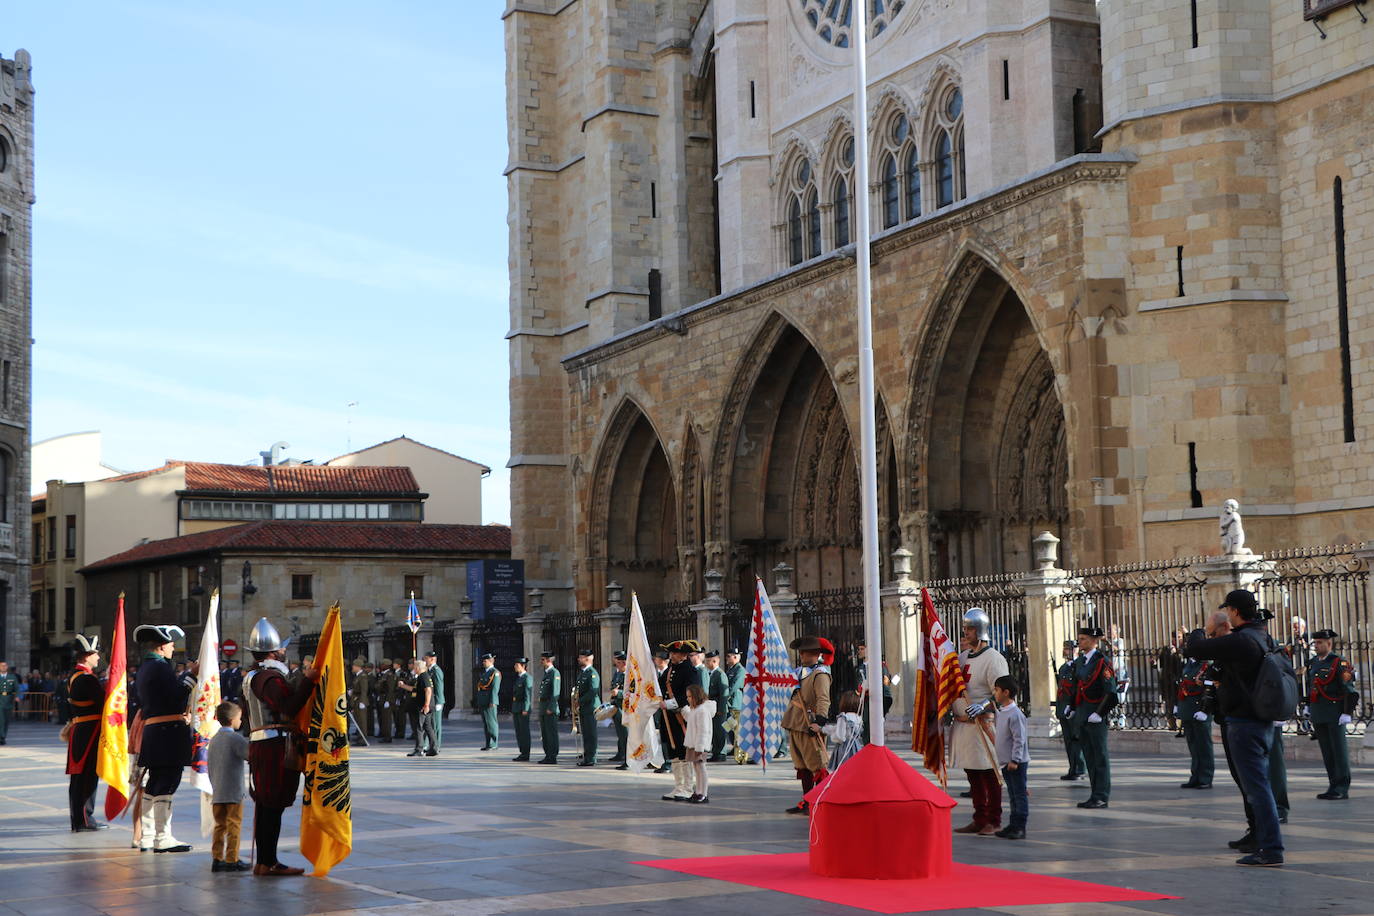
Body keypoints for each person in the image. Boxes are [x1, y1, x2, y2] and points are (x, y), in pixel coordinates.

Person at [1184, 589, 1285, 867]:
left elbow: (1194, 649)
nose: (1227, 613)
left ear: (1235, 612)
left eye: (1228, 609)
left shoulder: (1241, 641)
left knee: (1257, 787)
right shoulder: (1262, 636)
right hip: (1259, 720)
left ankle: (1271, 848)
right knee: (1256, 785)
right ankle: (1260, 839)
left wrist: (1199, 630)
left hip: (1245, 723)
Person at [243, 617, 319, 876]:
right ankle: (268, 861)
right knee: (271, 805)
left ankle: (265, 861)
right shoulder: (268, 677)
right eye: (282, 649)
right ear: (273, 652)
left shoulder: (256, 674)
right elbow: (287, 707)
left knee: (267, 804)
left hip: (266, 744)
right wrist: (308, 681)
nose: (285, 652)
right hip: (273, 746)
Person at [133, 623, 195, 853]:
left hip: (155, 732)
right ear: (161, 646)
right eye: (170, 644)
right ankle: (162, 837)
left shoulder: (146, 667)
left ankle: (148, 836)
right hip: (167, 732)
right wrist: (192, 677)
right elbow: (176, 697)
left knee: (154, 783)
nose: (172, 648)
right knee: (167, 783)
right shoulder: (160, 668)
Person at [951, 608, 1009, 834]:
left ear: (980, 630)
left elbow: (1002, 691)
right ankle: (979, 816)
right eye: (965, 628)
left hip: (983, 724)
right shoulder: (963, 657)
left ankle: (993, 820)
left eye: (970, 629)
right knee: (972, 773)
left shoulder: (994, 658)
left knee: (989, 773)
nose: (965, 632)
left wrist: (983, 704)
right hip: (965, 724)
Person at [782, 635, 833, 815]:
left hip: (809, 723)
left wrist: (819, 722)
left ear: (815, 654)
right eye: (801, 652)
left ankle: (818, 801)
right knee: (802, 765)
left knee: (816, 765)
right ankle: (807, 800)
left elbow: (823, 699)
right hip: (796, 722)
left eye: (806, 652)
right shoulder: (800, 672)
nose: (801, 655)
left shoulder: (820, 674)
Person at [1067, 625, 1117, 810]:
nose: (1080, 642)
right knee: (1089, 756)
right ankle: (1094, 794)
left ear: (1094, 641)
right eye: (1079, 639)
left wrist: (1099, 713)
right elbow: (1077, 686)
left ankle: (1102, 795)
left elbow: (1111, 693)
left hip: (1095, 715)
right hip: (1082, 714)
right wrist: (1072, 708)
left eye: (1084, 639)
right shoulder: (1081, 661)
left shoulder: (1102, 662)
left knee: (1100, 756)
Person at [1308, 628, 1357, 800]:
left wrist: (1347, 712)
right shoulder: (1314, 662)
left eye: (1320, 642)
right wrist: (1308, 705)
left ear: (1329, 643)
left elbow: (1349, 689)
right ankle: (1333, 785)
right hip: (1319, 712)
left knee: (1339, 751)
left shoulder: (1339, 662)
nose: (1316, 645)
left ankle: (1342, 787)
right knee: (1327, 751)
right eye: (1315, 642)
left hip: (1335, 713)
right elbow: (1311, 686)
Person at [66, 634, 107, 832]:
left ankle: (80, 819)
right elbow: (103, 704)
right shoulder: (87, 679)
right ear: (87, 656)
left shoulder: (74, 675)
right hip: (90, 731)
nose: (98, 657)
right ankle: (84, 819)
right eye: (95, 654)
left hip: (81, 730)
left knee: (81, 777)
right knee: (86, 776)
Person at [207, 701, 249, 872]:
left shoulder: (215, 739)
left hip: (218, 790)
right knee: (234, 825)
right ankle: (232, 858)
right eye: (240, 718)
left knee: (219, 825)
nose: (241, 721)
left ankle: (217, 858)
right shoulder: (235, 739)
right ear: (232, 720)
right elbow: (249, 755)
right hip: (233, 790)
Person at [993, 675, 1030, 840]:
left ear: (1006, 692)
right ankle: (1013, 824)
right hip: (1006, 762)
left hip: (1016, 763)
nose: (995, 693)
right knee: (1013, 795)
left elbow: (1019, 739)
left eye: (997, 690)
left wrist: (1015, 759)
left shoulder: (1015, 714)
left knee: (1019, 794)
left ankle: (1020, 826)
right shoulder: (1003, 712)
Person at [660, 641, 699, 798]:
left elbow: (691, 695)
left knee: (684, 752)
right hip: (669, 717)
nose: (671, 656)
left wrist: (669, 703)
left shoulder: (690, 671)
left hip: (681, 716)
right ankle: (679, 786)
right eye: (671, 653)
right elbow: (660, 686)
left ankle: (688, 788)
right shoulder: (670, 670)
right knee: (674, 752)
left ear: (683, 655)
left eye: (675, 653)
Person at [1176, 652, 1215, 789]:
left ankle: (1205, 777)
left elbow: (1209, 688)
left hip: (1200, 709)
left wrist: (1205, 710)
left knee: (1204, 746)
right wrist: (1178, 706)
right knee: (1193, 746)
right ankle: (1195, 776)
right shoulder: (1189, 663)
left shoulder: (1207, 664)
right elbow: (1181, 685)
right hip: (1188, 709)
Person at [1054, 640, 1085, 781]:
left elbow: (1078, 689)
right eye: (1065, 648)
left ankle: (1079, 768)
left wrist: (1073, 707)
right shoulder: (1063, 668)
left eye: (1069, 648)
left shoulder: (1080, 666)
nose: (1066, 651)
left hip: (1073, 709)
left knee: (1076, 739)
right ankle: (1072, 768)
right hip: (1062, 708)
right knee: (1068, 741)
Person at [681, 683, 715, 804]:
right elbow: (691, 721)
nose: (688, 698)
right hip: (693, 743)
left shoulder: (702, 711)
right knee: (696, 768)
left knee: (701, 767)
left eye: (690, 696)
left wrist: (700, 746)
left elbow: (703, 730)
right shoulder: (695, 710)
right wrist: (684, 711)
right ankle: (698, 791)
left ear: (696, 696)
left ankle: (703, 793)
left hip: (699, 744)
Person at [856, 641, 894, 745]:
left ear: (869, 650)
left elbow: (885, 682)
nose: (859, 651)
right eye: (859, 649)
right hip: (865, 701)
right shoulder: (859, 667)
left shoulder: (880, 665)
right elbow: (858, 685)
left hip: (876, 700)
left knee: (875, 727)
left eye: (862, 649)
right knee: (866, 726)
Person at [819, 690, 863, 773]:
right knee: (854, 771)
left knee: (842, 771)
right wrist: (823, 729)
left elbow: (840, 736)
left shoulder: (843, 717)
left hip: (844, 748)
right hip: (856, 747)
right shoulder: (858, 718)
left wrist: (832, 736)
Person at [1157, 630, 1186, 735]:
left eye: (1178, 637)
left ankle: (1181, 726)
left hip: (1181, 682)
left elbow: (1183, 663)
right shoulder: (1166, 649)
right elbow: (1159, 663)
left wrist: (1177, 654)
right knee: (1170, 703)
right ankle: (1172, 725)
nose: (1176, 639)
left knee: (1180, 703)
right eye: (1174, 637)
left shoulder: (1184, 649)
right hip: (1168, 682)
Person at [1288, 617, 1314, 736]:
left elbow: (1313, 654)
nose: (1295, 629)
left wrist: (1305, 645)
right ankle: (1300, 725)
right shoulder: (1291, 639)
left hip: (1308, 675)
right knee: (1298, 700)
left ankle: (1310, 725)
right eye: (1293, 627)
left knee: (1308, 700)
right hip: (1296, 674)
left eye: (1296, 627)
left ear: (1303, 627)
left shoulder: (1309, 637)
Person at [575, 649, 600, 766]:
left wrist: (579, 700)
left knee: (591, 733)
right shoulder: (583, 672)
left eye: (581, 657)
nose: (579, 659)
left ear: (587, 659)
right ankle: (587, 755)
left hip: (590, 707)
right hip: (584, 707)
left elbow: (592, 691)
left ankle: (591, 757)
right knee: (585, 732)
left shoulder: (592, 673)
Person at [704, 650, 729, 761]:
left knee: (720, 731)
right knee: (714, 731)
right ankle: (716, 752)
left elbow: (724, 693)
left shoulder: (720, 674)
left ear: (714, 661)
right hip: (712, 708)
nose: (706, 663)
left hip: (719, 708)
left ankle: (721, 753)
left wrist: (721, 709)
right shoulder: (710, 674)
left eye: (708, 661)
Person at [536, 652, 561, 764]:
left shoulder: (554, 673)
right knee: (545, 733)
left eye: (542, 660)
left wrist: (551, 707)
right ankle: (548, 754)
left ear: (548, 660)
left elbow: (555, 692)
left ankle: (552, 755)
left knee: (551, 733)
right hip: (543, 707)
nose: (541, 662)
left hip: (549, 707)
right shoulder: (547, 673)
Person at [653, 649, 673, 773]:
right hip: (658, 709)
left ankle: (669, 762)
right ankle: (665, 760)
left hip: (668, 708)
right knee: (662, 735)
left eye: (658, 659)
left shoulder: (669, 673)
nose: (656, 660)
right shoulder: (655, 674)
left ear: (664, 661)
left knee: (667, 735)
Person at [475, 653, 501, 751]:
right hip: (483, 701)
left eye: (485, 661)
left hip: (490, 701)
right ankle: (488, 743)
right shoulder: (486, 672)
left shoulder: (495, 673)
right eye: (483, 661)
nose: (483, 663)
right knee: (486, 723)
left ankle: (493, 743)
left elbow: (495, 688)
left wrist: (493, 701)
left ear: (491, 661)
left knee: (491, 723)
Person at [723, 649, 745, 758]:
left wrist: (724, 695)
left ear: (735, 657)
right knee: (729, 726)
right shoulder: (731, 670)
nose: (726, 658)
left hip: (735, 703)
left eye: (728, 656)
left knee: (735, 727)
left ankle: (739, 749)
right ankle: (734, 746)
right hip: (729, 703)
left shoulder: (740, 670)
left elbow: (734, 686)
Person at [1106, 624, 1129, 729]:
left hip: (1120, 672)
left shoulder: (1120, 641)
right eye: (1108, 630)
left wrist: (1107, 642)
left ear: (1117, 632)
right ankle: (1112, 718)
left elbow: (1116, 650)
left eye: (1111, 630)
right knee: (1110, 695)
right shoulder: (1105, 644)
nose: (1109, 632)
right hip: (1110, 672)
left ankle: (1121, 718)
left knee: (1121, 697)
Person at [608, 651, 628, 768]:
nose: (617, 665)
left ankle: (628, 760)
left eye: (619, 663)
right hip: (617, 707)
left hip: (625, 708)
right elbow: (612, 686)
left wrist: (619, 693)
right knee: (621, 735)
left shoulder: (629, 675)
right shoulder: (619, 674)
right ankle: (623, 756)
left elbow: (633, 691)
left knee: (626, 736)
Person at [511, 657, 533, 761]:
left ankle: (525, 753)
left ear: (523, 666)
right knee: (519, 732)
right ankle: (522, 752)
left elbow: (527, 695)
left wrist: (526, 708)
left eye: (517, 665)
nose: (515, 667)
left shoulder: (527, 678)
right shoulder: (519, 678)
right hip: (516, 708)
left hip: (522, 709)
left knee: (524, 732)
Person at [423, 650, 446, 751]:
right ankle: (431, 744)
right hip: (431, 701)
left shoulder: (436, 670)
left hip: (436, 700)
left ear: (432, 659)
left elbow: (439, 687)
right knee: (431, 724)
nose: (425, 660)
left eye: (426, 658)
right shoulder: (429, 670)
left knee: (435, 725)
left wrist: (439, 702)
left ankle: (436, 745)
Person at [348, 658, 370, 747]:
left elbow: (364, 690)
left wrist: (363, 702)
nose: (352, 667)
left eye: (354, 666)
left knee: (362, 721)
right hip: (356, 701)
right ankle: (360, 737)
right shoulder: (358, 676)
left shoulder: (363, 676)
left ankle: (363, 739)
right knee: (358, 721)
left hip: (360, 701)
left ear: (358, 667)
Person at [376, 658, 396, 743]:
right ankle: (384, 734)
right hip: (382, 698)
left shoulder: (390, 675)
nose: (381, 666)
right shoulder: (383, 674)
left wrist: (388, 700)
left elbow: (391, 689)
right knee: (383, 718)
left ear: (387, 665)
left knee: (387, 720)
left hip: (386, 699)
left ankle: (388, 736)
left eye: (383, 664)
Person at [390, 658, 409, 741]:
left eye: (395, 663)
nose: (393, 665)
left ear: (398, 665)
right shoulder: (394, 673)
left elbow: (401, 687)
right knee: (396, 716)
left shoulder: (402, 673)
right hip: (395, 697)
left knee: (401, 716)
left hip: (400, 697)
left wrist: (400, 697)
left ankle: (401, 732)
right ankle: (397, 731)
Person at [0, 659, 17, 745]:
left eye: (5, 666)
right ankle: (1, 736)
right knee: (1, 719)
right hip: (0, 700)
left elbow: (16, 688)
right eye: (2, 666)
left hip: (9, 700)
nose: (3, 667)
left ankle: (3, 737)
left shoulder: (12, 677)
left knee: (6, 720)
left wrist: (17, 697)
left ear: (7, 667)